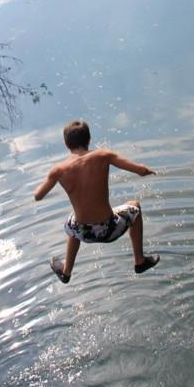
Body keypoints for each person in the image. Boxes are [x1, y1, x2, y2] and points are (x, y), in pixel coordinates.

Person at [34, 119, 160, 283]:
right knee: (134, 206)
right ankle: (139, 261)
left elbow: (38, 196)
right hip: (109, 229)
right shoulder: (103, 155)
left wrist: (51, 177)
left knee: (73, 219)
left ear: (66, 144)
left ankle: (66, 271)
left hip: (83, 233)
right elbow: (140, 170)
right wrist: (148, 170)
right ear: (89, 140)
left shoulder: (59, 170)